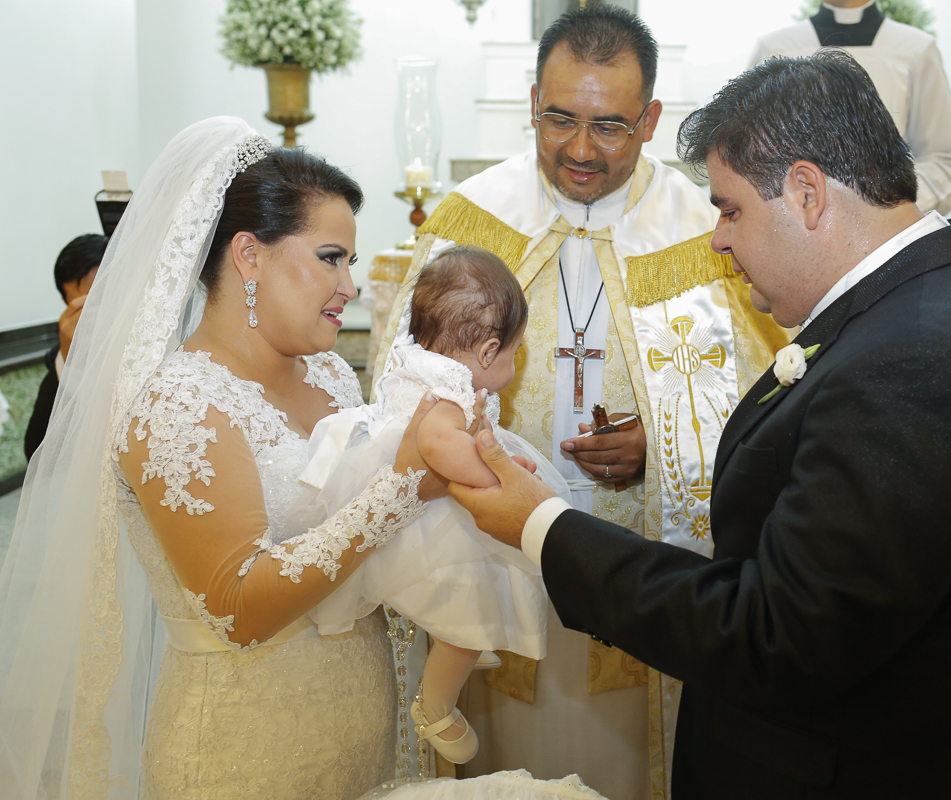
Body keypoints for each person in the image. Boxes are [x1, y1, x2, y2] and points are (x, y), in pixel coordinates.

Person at [448, 52, 951, 798]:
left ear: (807, 193)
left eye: (730, 210)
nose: (718, 240)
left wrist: (543, 526)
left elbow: (776, 635)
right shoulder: (942, 300)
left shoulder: (911, 362)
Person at [373, 7, 790, 798]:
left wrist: (662, 449)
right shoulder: (472, 220)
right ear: (533, 102)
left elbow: (774, 405)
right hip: (488, 564)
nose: (581, 149)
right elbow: (397, 391)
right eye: (560, 118)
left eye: (610, 127)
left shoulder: (706, 233)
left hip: (641, 576)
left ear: (651, 121)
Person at [0, 117, 469, 800]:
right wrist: (400, 488)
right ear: (249, 254)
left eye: (350, 262)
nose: (350, 286)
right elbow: (238, 608)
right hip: (243, 748)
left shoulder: (332, 377)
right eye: (331, 258)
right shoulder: (177, 405)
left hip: (363, 719)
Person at [291, 246, 568, 765]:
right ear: (487, 351)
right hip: (426, 516)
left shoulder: (425, 362)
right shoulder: (449, 389)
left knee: (471, 600)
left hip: (416, 508)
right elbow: (438, 446)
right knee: (469, 612)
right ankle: (436, 706)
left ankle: (459, 644)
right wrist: (497, 475)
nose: (513, 364)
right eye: (514, 353)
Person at [748, 0, 951, 215]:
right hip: (794, 223)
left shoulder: (915, 48)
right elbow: (747, 156)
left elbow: (949, 159)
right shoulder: (775, 48)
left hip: (888, 228)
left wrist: (892, 204)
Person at [24, 233, 107, 458]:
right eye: (86, 304)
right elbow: (36, 454)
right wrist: (69, 360)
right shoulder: (59, 360)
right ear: (66, 303)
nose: (102, 312)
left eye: (106, 295)